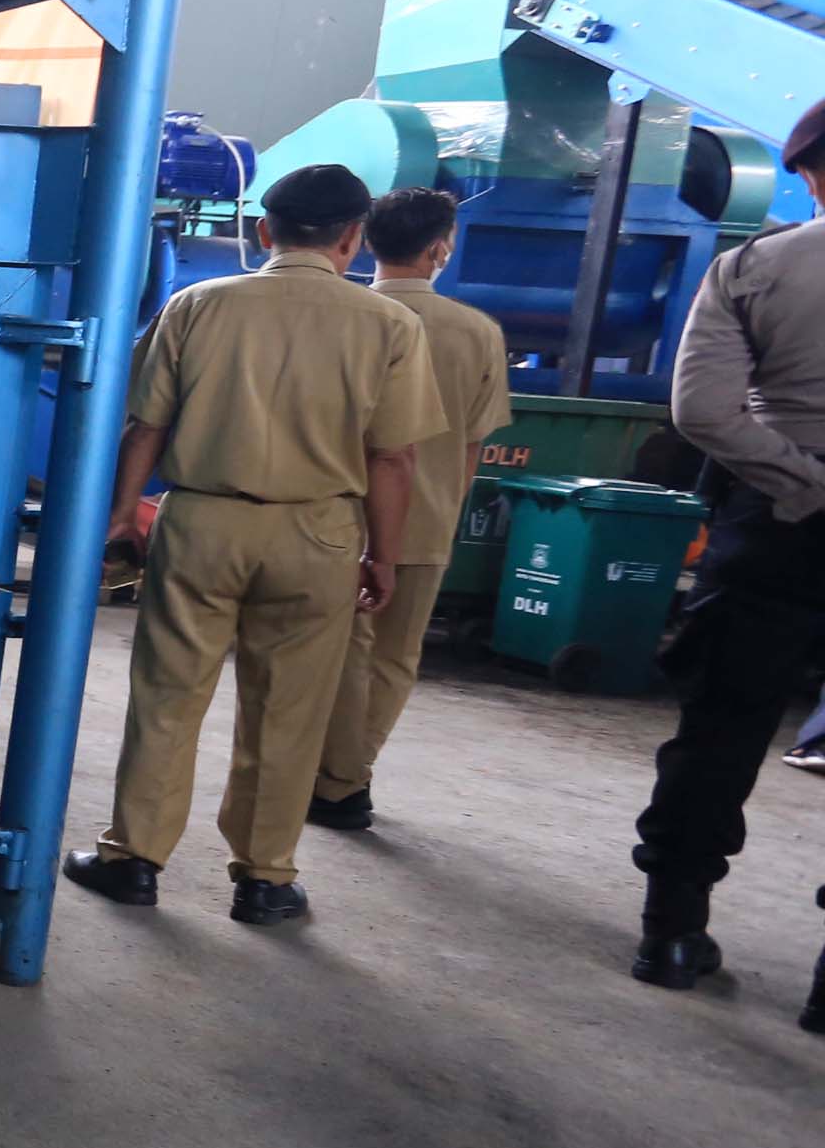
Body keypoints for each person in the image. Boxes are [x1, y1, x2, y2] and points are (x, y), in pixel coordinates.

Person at [61, 162, 439, 926]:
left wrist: (121, 513)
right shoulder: (390, 325)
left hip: (203, 521)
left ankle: (133, 859)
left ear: (264, 232)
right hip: (320, 532)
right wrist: (382, 556)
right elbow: (393, 457)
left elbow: (147, 425)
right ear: (352, 239)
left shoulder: (198, 303)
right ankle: (264, 877)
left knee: (168, 696)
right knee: (289, 711)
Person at [627, 100, 825, 1027]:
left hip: (778, 524)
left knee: (721, 727)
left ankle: (671, 930)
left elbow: (703, 413)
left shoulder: (753, 269)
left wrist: (799, 480)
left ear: (810, 174)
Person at [308, 188, 513, 830]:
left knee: (335, 656)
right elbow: (475, 444)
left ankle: (326, 778)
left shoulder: (341, 314)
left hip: (329, 514)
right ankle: (346, 781)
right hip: (424, 520)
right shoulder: (478, 332)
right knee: (394, 658)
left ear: (365, 241)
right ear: (439, 248)